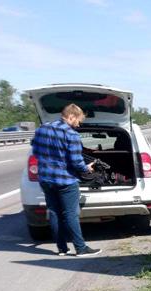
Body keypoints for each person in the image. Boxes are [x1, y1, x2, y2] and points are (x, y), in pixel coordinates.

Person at [31, 103, 101, 257]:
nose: (79, 125)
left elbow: (35, 152)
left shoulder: (42, 129)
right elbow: (76, 162)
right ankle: (81, 248)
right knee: (70, 214)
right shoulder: (71, 135)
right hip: (66, 181)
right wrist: (87, 168)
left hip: (46, 179)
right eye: (78, 121)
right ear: (71, 116)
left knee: (54, 212)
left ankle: (62, 248)